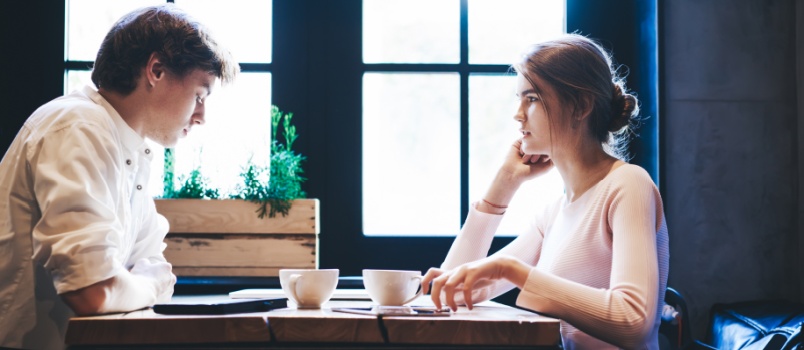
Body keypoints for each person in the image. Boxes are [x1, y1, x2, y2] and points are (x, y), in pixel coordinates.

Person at [0, 4, 238, 349]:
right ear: (156, 69)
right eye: (199, 95)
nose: (202, 116)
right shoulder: (79, 128)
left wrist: (135, 282)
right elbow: (93, 291)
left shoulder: (126, 146)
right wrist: (145, 285)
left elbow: (156, 267)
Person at [421, 34, 669, 350]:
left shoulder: (628, 184)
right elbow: (451, 294)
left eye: (532, 98)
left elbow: (634, 322)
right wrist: (501, 187)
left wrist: (510, 270)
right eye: (519, 98)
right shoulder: (554, 214)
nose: (518, 113)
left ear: (580, 106)